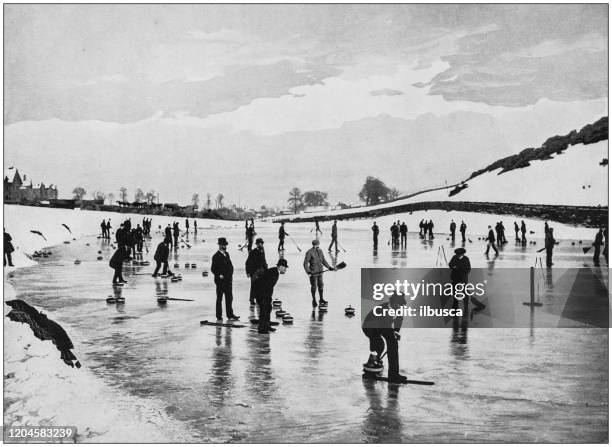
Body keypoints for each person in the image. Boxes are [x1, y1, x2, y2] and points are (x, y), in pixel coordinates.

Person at [362, 294, 407, 384]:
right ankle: (372, 364)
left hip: (383, 326)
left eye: (401, 305)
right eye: (398, 305)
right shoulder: (381, 309)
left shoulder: (399, 309)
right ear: (392, 302)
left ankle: (393, 375)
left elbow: (399, 320)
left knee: (393, 344)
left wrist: (396, 331)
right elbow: (385, 327)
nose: (400, 307)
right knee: (379, 345)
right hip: (370, 327)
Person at [254, 259, 288, 334]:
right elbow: (265, 284)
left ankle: (267, 325)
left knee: (268, 308)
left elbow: (269, 285)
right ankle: (262, 328)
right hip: (261, 293)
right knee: (263, 310)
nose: (285, 270)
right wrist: (265, 296)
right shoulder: (274, 272)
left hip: (265, 293)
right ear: (280, 267)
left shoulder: (275, 271)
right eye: (285, 268)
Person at [211, 237, 239, 322]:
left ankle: (230, 314)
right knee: (219, 299)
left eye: (225, 245)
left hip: (228, 280)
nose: (224, 246)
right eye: (223, 245)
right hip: (220, 282)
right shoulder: (215, 256)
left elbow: (230, 266)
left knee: (229, 298)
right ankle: (219, 316)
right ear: (219, 245)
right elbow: (213, 269)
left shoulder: (227, 254)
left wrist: (231, 273)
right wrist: (219, 275)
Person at [304, 239, 334, 307]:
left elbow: (323, 261)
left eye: (317, 244)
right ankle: (314, 299)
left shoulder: (320, 251)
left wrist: (329, 267)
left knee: (321, 286)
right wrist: (308, 272)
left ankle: (321, 299)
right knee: (314, 286)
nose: (316, 246)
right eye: (315, 245)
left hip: (320, 272)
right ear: (313, 245)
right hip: (313, 273)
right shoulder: (309, 252)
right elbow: (305, 263)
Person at [245, 238, 268, 305]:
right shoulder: (252, 252)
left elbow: (264, 260)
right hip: (254, 271)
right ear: (257, 244)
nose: (261, 244)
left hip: (262, 270)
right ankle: (252, 299)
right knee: (254, 285)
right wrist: (248, 272)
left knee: (261, 285)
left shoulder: (262, 251)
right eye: (259, 243)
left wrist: (266, 269)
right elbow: (247, 262)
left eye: (262, 243)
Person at [449, 247, 471, 312]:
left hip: (463, 276)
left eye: (459, 254)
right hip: (455, 276)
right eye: (457, 254)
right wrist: (451, 266)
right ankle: (455, 304)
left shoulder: (466, 259)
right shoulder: (454, 257)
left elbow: (468, 268)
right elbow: (451, 265)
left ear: (463, 254)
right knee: (455, 290)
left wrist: (462, 271)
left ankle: (466, 303)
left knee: (464, 290)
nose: (458, 255)